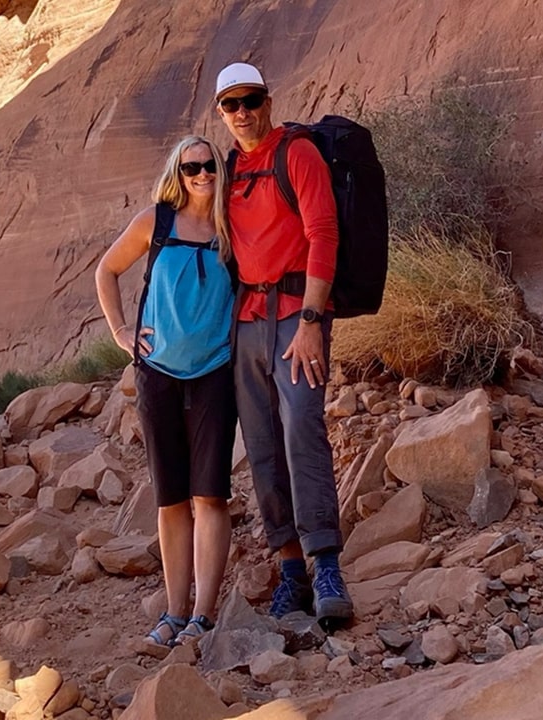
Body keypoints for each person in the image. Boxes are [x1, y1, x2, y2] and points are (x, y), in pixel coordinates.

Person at [214, 62, 353, 623]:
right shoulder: (227, 168)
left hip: (299, 315)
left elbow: (324, 233)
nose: (243, 113)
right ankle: (290, 568)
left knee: (303, 430)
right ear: (222, 113)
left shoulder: (296, 153)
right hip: (247, 320)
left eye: (251, 101)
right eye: (231, 105)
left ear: (268, 101)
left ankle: (326, 564)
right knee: (263, 443)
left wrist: (314, 320)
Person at [94, 136, 238, 647]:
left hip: (216, 372)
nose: (201, 174)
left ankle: (203, 614)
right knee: (172, 497)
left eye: (209, 166)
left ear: (221, 171)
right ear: (178, 172)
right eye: (191, 166)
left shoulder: (230, 227)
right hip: (158, 373)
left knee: (211, 494)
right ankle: (174, 612)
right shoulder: (154, 222)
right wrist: (120, 334)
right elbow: (107, 270)